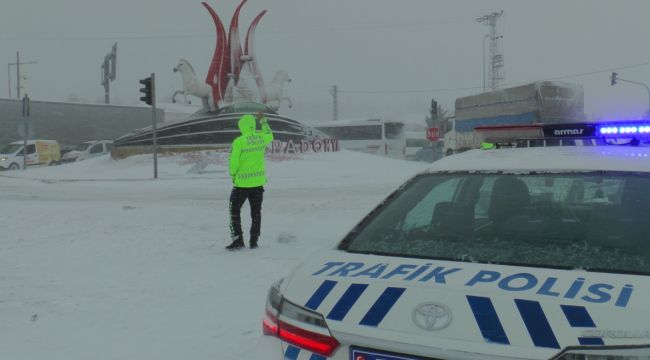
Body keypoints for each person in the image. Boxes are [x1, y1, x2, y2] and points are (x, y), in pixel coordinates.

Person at [225, 111, 274, 250]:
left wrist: (233, 175)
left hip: (241, 184)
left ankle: (238, 240)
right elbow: (270, 135)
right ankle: (254, 241)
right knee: (256, 213)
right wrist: (263, 121)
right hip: (258, 184)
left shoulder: (239, 142)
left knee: (234, 210)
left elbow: (233, 162)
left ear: (242, 127)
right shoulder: (260, 138)